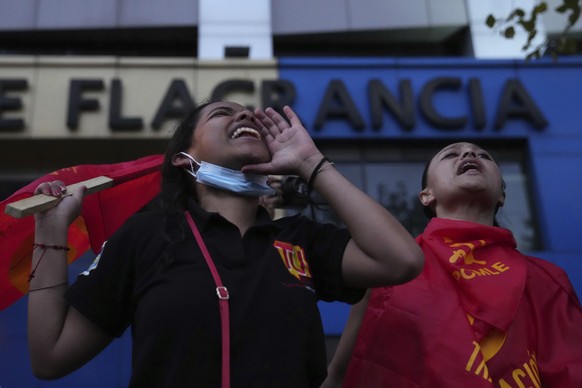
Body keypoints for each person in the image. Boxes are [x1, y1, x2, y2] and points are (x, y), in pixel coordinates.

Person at [27, 101, 424, 387]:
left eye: (249, 112)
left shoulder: (300, 239)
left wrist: (311, 164)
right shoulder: (144, 235)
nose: (246, 114)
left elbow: (401, 260)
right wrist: (50, 231)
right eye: (222, 113)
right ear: (184, 159)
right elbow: (50, 356)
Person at [324, 142, 582, 388]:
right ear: (426, 196)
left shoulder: (546, 277)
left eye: (483, 155)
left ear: (502, 195)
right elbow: (342, 376)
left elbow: (571, 370)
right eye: (450, 155)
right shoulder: (392, 269)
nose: (469, 154)